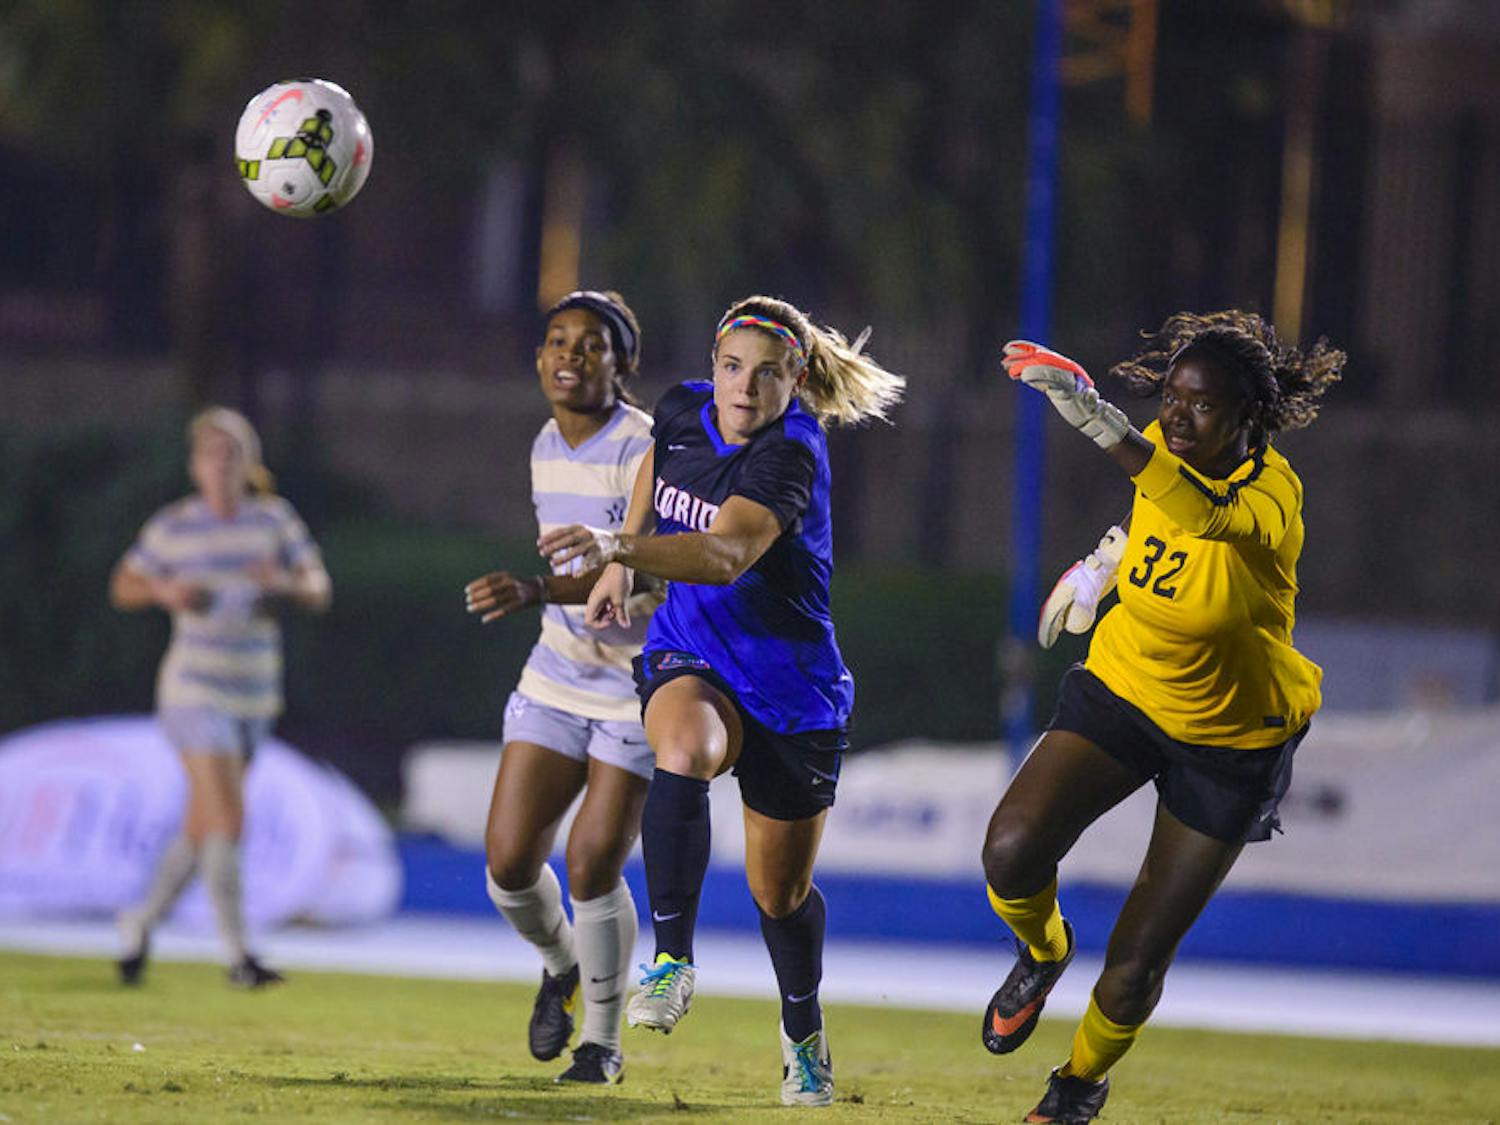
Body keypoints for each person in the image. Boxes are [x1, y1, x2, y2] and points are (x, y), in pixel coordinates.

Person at [538, 294, 905, 1107]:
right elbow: (655, 469)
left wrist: (615, 544)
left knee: (780, 896)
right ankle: (671, 958)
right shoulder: (680, 410)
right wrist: (620, 564)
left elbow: (724, 551)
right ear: (711, 368)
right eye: (732, 368)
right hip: (691, 653)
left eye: (767, 374)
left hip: (792, 688)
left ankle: (802, 1031)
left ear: (796, 379)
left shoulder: (792, 454)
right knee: (685, 747)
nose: (744, 389)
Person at [980, 310, 1345, 1123]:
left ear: (1248, 419)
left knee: (1137, 963)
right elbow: (1154, 512)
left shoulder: (1273, 493)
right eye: (1171, 398)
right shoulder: (1165, 446)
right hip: (1129, 685)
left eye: (1202, 405)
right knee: (1010, 850)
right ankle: (1042, 952)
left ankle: (1076, 1086)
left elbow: (1204, 515)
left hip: (1231, 735)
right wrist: (1101, 565)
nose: (1176, 416)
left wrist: (1101, 425)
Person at [463, 289, 660, 1085]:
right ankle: (561, 963)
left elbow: (641, 568)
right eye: (556, 341)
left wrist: (538, 589)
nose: (569, 356)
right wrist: (545, 595)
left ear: (623, 364)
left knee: (590, 866)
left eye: (590, 344)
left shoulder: (647, 446)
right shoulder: (545, 441)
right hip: (557, 672)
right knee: (509, 862)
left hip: (637, 685)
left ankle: (602, 1044)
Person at [110, 406, 331, 989]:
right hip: (193, 688)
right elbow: (125, 583)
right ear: (194, 465)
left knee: (204, 821)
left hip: (255, 693)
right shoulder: (175, 526)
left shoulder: (273, 520)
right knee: (229, 816)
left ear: (248, 463)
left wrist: (281, 583)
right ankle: (239, 956)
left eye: (232, 452)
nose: (221, 462)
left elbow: (317, 585)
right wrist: (164, 590)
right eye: (211, 452)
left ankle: (138, 922)